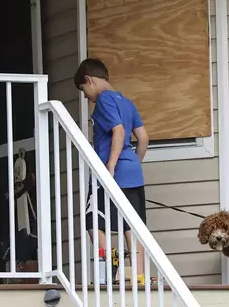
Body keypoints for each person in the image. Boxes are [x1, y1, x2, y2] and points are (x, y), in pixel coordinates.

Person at [74, 58, 152, 286]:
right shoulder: (126, 102)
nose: (86, 96)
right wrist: (132, 165)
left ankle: (109, 256)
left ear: (89, 80)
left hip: (111, 172)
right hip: (132, 172)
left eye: (83, 90)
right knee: (132, 225)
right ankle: (138, 276)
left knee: (93, 221)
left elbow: (118, 132)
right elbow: (143, 139)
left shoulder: (104, 101)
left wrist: (110, 168)